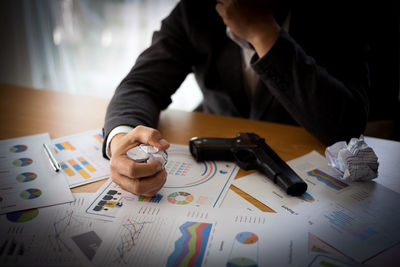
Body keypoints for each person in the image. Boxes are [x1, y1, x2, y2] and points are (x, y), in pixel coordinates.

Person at [103, 0, 370, 196]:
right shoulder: (195, 11)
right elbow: (141, 84)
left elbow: (345, 126)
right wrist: (121, 141)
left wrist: (264, 34)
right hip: (213, 160)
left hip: (302, 165)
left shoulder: (338, 13)